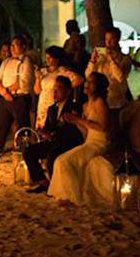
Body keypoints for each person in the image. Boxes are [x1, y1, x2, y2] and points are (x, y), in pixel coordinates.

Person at [47, 72, 111, 207]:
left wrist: (79, 120)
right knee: (61, 159)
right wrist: (77, 123)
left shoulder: (100, 103)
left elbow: (103, 127)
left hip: (100, 143)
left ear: (98, 86)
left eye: (91, 82)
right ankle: (65, 193)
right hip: (89, 141)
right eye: (86, 81)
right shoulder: (85, 105)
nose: (86, 84)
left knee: (65, 161)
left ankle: (72, 196)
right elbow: (86, 132)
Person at [23, 76, 84, 194]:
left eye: (58, 89)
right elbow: (48, 127)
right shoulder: (52, 109)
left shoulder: (74, 107)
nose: (54, 92)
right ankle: (43, 182)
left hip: (68, 142)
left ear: (68, 91)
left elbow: (75, 130)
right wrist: (43, 131)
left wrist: (54, 134)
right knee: (28, 152)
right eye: (53, 89)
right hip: (53, 141)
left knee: (52, 155)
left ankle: (55, 186)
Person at [0, 36, 34, 165]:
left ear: (23, 47)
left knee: (22, 127)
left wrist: (7, 91)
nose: (13, 48)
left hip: (19, 97)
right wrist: (4, 91)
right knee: (1, 126)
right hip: (5, 98)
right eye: (11, 45)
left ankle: (26, 154)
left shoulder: (26, 61)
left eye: (16, 45)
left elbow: (24, 82)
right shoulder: (6, 62)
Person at [85, 27, 132, 141]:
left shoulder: (124, 59)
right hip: (100, 100)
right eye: (106, 40)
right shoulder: (100, 58)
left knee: (115, 132)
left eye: (111, 40)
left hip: (115, 102)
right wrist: (93, 61)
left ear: (118, 39)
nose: (108, 43)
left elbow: (120, 77)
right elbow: (88, 75)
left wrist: (111, 60)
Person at [33, 46, 83, 129]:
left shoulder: (62, 71)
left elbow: (79, 79)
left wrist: (65, 89)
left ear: (57, 59)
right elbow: (37, 91)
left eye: (50, 58)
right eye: (46, 57)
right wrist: (38, 78)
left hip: (54, 101)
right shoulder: (43, 71)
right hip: (43, 103)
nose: (47, 60)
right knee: (41, 128)